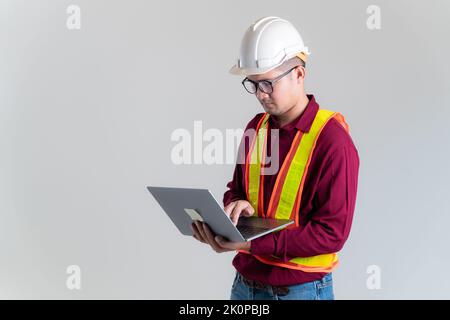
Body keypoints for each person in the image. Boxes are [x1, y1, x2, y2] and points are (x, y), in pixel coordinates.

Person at [191, 16, 360, 300]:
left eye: (268, 83)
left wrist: (249, 245)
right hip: (245, 285)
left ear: (299, 74)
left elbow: (332, 234)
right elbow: (237, 189)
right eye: (253, 84)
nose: (260, 94)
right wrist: (235, 208)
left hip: (300, 291)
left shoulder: (332, 140)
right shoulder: (256, 128)